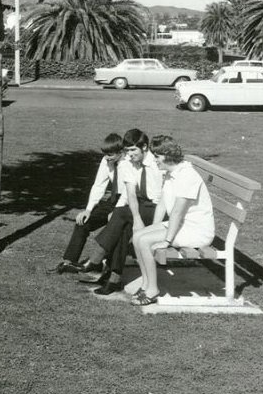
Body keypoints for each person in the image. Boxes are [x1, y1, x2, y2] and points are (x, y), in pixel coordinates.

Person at [129, 135, 214, 305]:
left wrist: (166, 241)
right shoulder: (170, 173)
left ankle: (153, 290)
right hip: (182, 225)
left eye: (157, 157)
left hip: (197, 231)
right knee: (139, 236)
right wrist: (152, 228)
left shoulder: (187, 176)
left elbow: (176, 212)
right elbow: (162, 205)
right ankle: (146, 285)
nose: (155, 161)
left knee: (145, 241)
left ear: (168, 155)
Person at [78, 129, 164, 295]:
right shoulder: (131, 163)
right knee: (122, 225)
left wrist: (138, 219)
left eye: (133, 150)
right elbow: (129, 193)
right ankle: (114, 279)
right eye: (127, 151)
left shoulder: (157, 164)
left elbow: (163, 200)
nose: (129, 154)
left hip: (160, 210)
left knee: (122, 215)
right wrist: (125, 214)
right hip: (142, 206)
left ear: (144, 147)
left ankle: (96, 259)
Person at [47, 133, 123, 274]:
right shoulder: (106, 161)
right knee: (82, 222)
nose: (107, 158)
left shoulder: (131, 163)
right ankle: (69, 262)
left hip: (127, 202)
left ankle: (101, 262)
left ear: (121, 152)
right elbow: (99, 185)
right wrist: (88, 210)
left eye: (111, 155)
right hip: (113, 200)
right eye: (105, 154)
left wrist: (118, 211)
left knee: (113, 225)